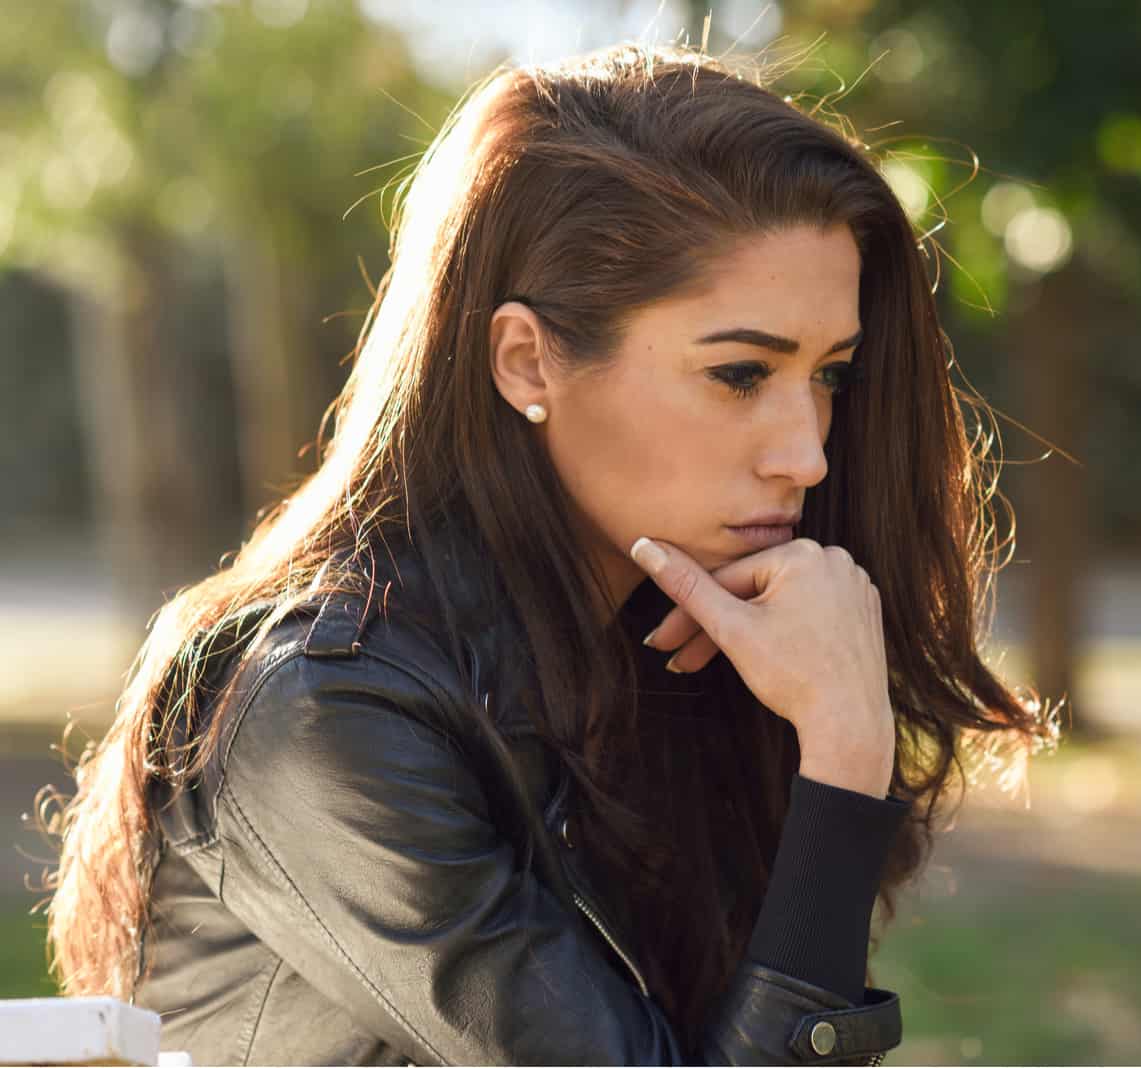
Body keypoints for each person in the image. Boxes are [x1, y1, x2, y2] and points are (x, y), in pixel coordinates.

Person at [41, 41, 1057, 1065]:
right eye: (741, 372)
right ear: (528, 360)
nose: (805, 452)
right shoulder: (324, 713)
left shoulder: (672, 657)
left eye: (829, 375)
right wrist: (844, 759)